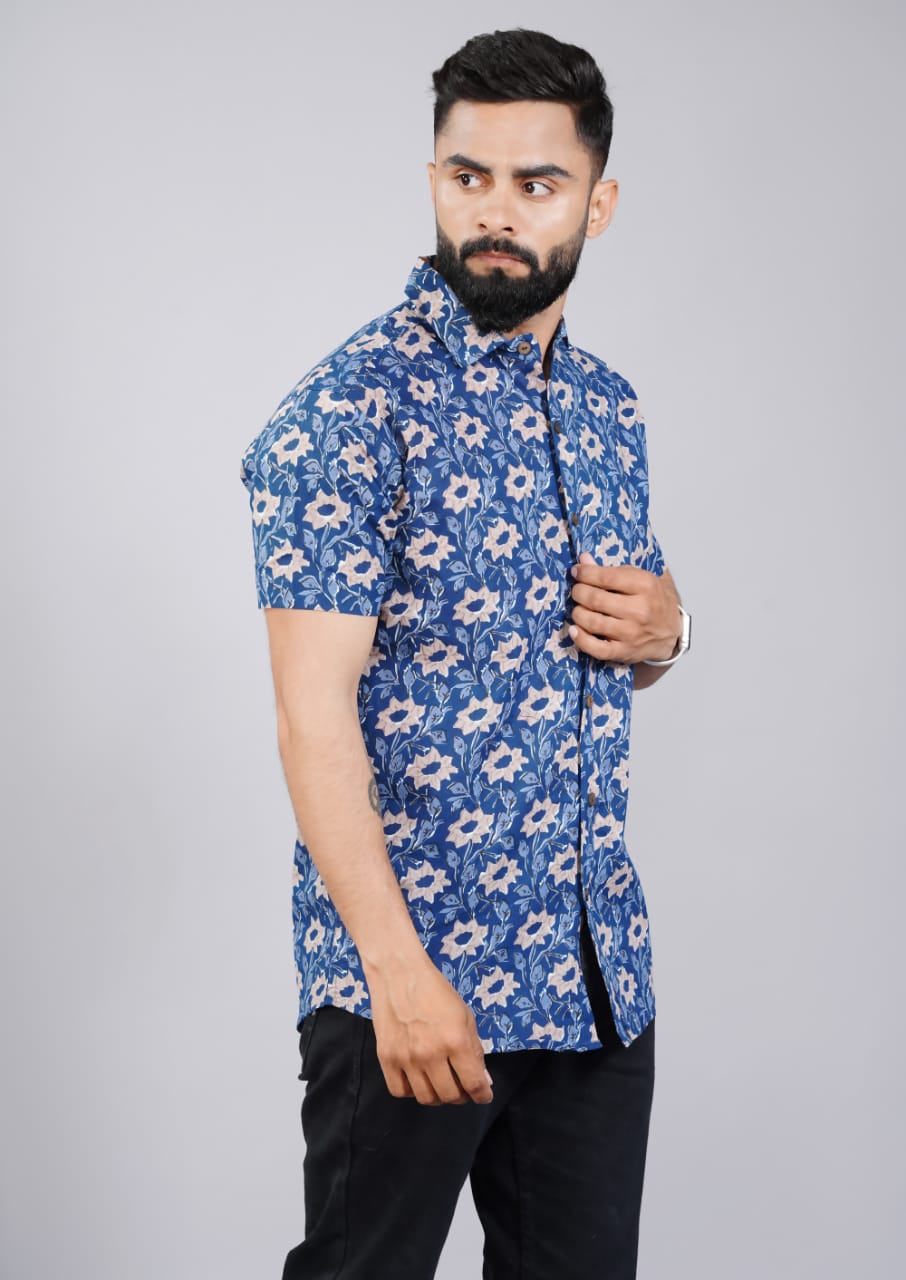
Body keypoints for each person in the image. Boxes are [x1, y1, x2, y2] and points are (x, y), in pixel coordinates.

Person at [239, 27, 690, 1280]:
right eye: (467, 175)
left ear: (598, 203)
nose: (495, 211)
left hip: (594, 975)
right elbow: (312, 715)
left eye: (536, 183)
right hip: (417, 980)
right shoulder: (349, 410)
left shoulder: (607, 408)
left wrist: (672, 631)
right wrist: (397, 972)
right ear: (433, 179)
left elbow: (627, 640)